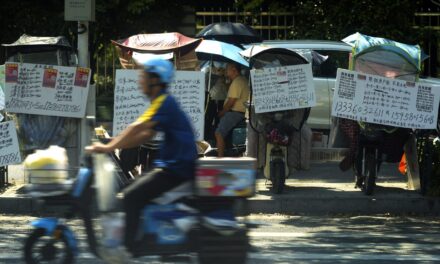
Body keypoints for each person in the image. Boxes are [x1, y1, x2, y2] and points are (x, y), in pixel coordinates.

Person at [86, 58, 197, 253]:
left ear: (155, 80)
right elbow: (145, 135)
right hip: (172, 165)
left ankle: (128, 249)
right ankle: (146, 237)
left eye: (144, 76)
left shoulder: (164, 102)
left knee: (131, 196)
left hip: (177, 168)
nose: (140, 80)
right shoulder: (161, 102)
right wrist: (113, 147)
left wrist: (107, 147)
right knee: (131, 187)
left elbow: (137, 126)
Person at [215, 63, 250, 157]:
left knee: (219, 133)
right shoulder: (239, 80)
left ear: (234, 70)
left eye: (227, 69)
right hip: (240, 112)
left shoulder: (237, 82)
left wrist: (222, 112)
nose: (226, 71)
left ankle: (220, 158)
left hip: (236, 113)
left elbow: (231, 102)